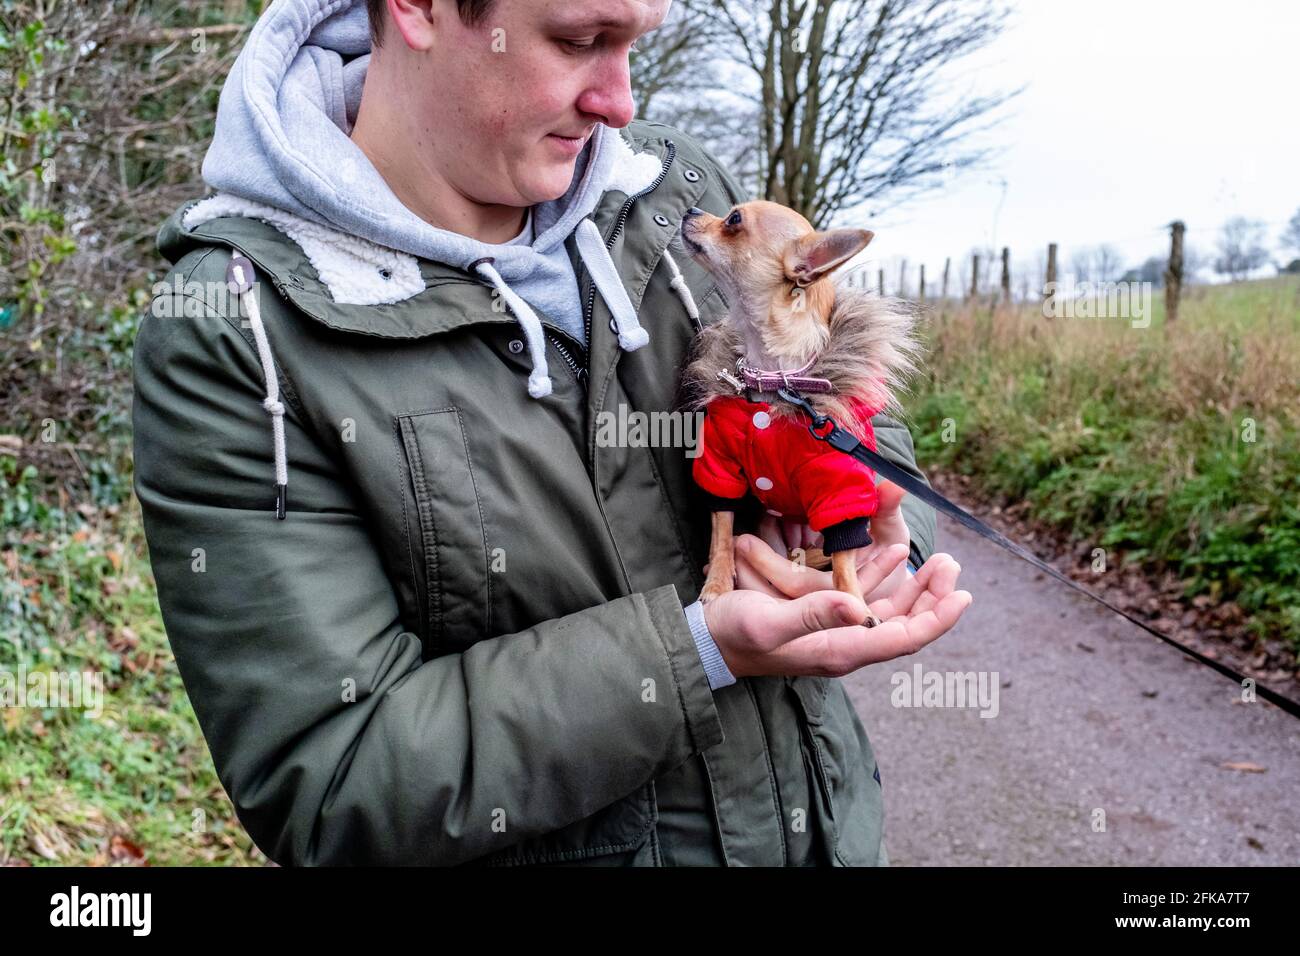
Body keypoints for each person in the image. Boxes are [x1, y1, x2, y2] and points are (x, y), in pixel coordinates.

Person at [131, 0, 972, 866]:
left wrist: (874, 542)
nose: (620, 101)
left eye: (634, 45)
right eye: (579, 41)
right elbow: (332, 779)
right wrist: (696, 653)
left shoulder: (674, 193)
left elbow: (854, 412)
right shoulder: (238, 332)